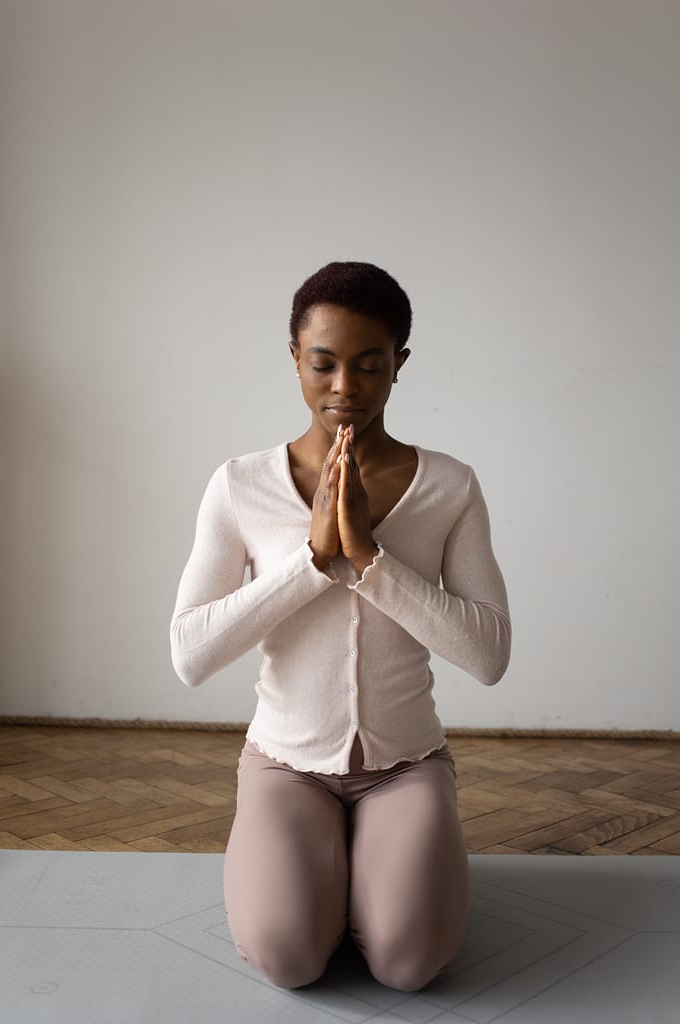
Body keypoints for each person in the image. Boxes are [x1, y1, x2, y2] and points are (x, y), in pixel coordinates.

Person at [169, 261, 511, 992]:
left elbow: (487, 655)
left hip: (405, 766)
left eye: (369, 365)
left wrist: (370, 557)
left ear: (399, 366)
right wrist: (312, 558)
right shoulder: (240, 485)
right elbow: (189, 655)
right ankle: (334, 881)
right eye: (322, 364)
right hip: (285, 766)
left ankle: (376, 875)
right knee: (288, 962)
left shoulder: (449, 486)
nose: (344, 388)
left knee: (408, 965)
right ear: (295, 357)